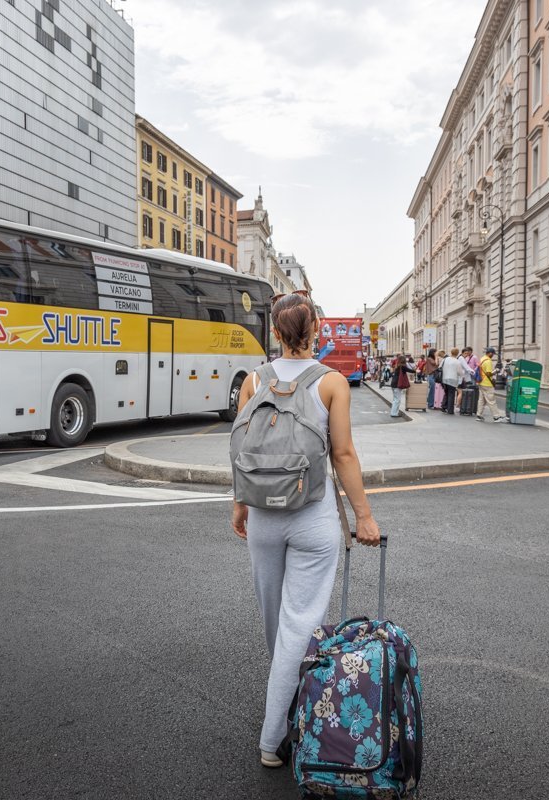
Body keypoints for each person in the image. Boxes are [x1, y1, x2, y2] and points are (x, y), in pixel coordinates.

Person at [230, 291, 382, 769]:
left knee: (278, 623)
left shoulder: (253, 379)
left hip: (262, 518)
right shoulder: (332, 382)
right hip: (312, 517)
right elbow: (343, 455)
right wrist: (363, 516)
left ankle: (286, 697)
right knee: (300, 624)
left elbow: (239, 447)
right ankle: (275, 737)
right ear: (316, 330)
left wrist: (239, 507)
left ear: (274, 332)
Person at [475, 347, 504, 422]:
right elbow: (488, 373)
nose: (493, 355)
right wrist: (496, 371)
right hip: (487, 383)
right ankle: (496, 417)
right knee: (491, 400)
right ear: (490, 353)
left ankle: (479, 415)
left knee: (481, 400)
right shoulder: (488, 361)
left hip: (481, 382)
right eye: (493, 354)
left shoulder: (482, 359)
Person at [441, 347, 465, 414]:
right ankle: (450, 410)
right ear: (457, 354)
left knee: (446, 393)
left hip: (444, 378)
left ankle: (443, 406)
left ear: (451, 352)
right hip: (453, 379)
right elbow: (460, 372)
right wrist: (462, 376)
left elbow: (440, 367)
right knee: (451, 394)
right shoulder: (457, 362)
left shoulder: (445, 359)